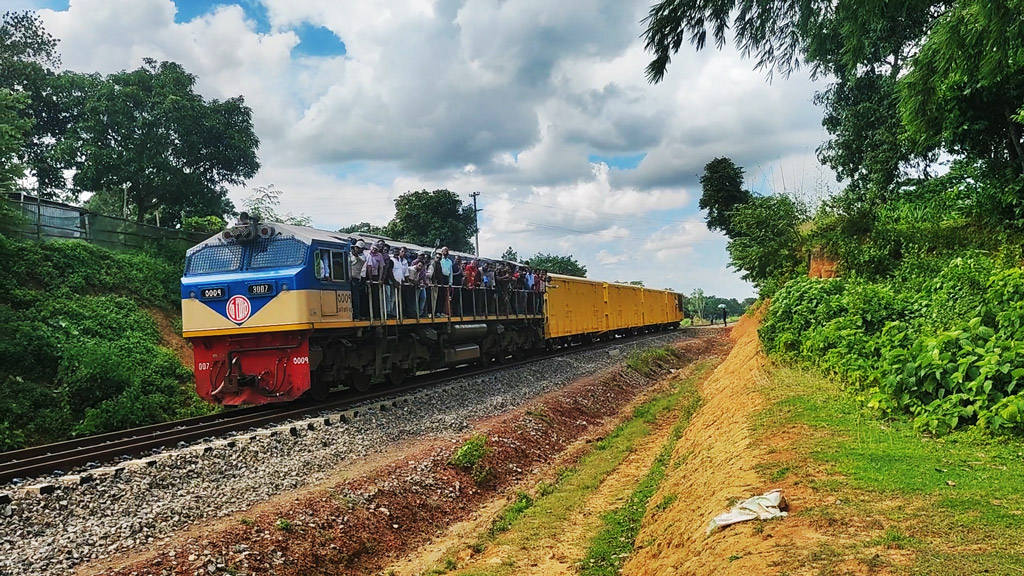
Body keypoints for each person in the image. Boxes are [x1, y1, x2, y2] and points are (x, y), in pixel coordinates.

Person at [349, 240, 367, 320]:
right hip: (348, 279)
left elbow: (358, 260)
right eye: (356, 247)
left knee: (355, 297)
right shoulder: (349, 255)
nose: (357, 249)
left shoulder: (363, 257)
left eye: (359, 248)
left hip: (355, 279)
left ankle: (356, 315)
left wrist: (354, 255)